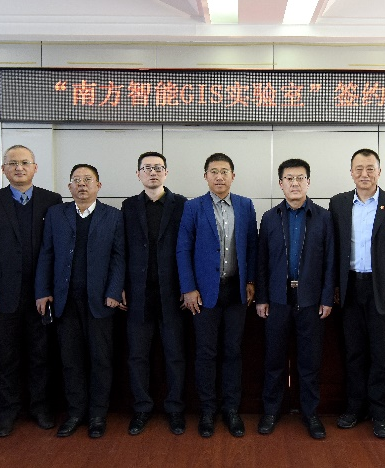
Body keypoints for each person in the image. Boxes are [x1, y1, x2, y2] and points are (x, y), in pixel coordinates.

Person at [0, 145, 62, 437]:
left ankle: (40, 408)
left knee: (40, 355)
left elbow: (57, 249)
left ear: (35, 167)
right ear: (3, 169)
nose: (19, 168)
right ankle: (6, 413)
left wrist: (50, 288)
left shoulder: (52, 200)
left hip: (41, 294)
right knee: (3, 358)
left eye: (24, 163)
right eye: (12, 163)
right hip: (1, 295)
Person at [35, 164, 124, 439]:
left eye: (88, 180)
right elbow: (46, 253)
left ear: (98, 185)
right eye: (77, 180)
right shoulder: (56, 214)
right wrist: (42, 290)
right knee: (70, 360)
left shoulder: (114, 216)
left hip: (100, 302)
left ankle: (97, 415)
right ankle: (75, 413)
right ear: (69, 186)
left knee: (100, 360)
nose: (82, 184)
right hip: (65, 301)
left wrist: (114, 291)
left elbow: (119, 257)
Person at [329, 148, 385, 439]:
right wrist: (333, 287)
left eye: (370, 169)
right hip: (350, 288)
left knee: (381, 355)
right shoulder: (338, 203)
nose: (364, 174)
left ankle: (380, 412)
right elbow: (333, 249)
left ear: (379, 171)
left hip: (384, 290)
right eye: (359, 169)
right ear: (351, 172)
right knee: (353, 353)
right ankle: (355, 408)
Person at [177, 153, 257, 438]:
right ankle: (207, 411)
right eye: (214, 171)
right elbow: (183, 248)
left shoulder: (246, 206)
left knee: (233, 352)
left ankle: (231, 410)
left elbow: (252, 246)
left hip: (236, 291)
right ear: (205, 176)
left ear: (233, 176)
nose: (219, 177)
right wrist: (188, 288)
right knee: (206, 353)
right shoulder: (193, 207)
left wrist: (251, 280)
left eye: (224, 171)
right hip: (203, 293)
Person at [255, 159, 335, 440]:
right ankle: (271, 411)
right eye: (289, 178)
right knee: (274, 360)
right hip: (277, 298)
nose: (295, 183)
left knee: (309, 362)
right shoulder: (269, 217)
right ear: (281, 184)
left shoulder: (323, 217)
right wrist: (262, 297)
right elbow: (261, 262)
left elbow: (330, 261)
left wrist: (327, 297)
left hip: (310, 299)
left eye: (300, 178)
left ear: (308, 182)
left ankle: (310, 413)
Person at [122, 152, 189, 436]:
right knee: (137, 356)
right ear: (138, 174)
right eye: (147, 168)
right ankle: (142, 408)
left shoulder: (182, 205)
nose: (152, 172)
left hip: (172, 292)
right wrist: (120, 285)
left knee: (175, 355)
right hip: (137, 293)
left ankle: (175, 408)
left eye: (158, 168)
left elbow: (189, 247)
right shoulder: (128, 206)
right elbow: (121, 248)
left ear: (166, 172)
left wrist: (188, 287)